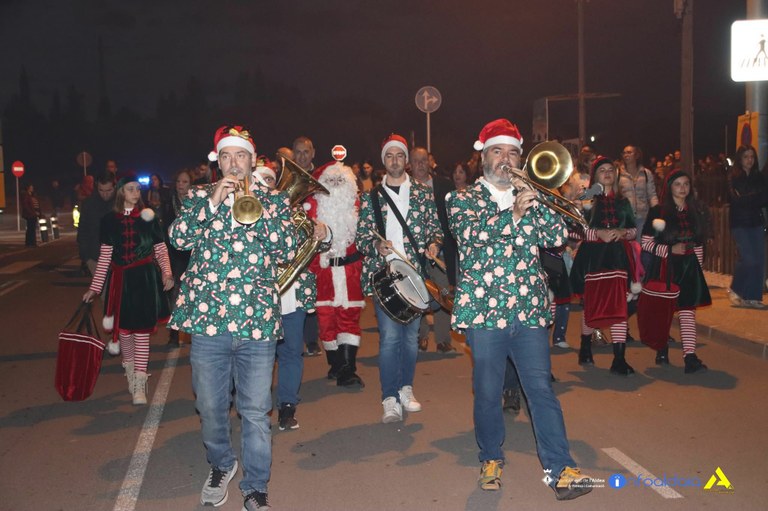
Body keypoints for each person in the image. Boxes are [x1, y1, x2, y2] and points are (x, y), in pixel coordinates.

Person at [446, 119, 593, 499]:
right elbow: (470, 237)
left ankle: (560, 467)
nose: (505, 159)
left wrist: (534, 197)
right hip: (484, 312)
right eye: (498, 151)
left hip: (528, 310)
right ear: (484, 157)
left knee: (540, 389)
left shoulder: (531, 195)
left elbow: (558, 237)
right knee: (488, 390)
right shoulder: (461, 199)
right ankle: (491, 456)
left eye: (513, 152)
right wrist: (512, 213)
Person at [168, 126, 295, 510]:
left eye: (241, 156)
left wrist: (259, 206)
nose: (234, 163)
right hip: (209, 324)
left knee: (256, 410)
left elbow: (287, 247)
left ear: (252, 161)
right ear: (217, 162)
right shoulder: (197, 197)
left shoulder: (273, 201)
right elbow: (177, 239)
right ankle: (221, 464)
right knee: (209, 405)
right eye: (226, 157)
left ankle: (256, 486)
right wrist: (210, 206)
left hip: (256, 323)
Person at [356, 134, 442, 423]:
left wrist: (434, 245)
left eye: (399, 155)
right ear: (384, 161)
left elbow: (435, 229)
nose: (395, 160)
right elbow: (362, 237)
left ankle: (406, 389)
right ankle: (389, 398)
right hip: (386, 276)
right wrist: (376, 246)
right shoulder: (370, 196)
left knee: (410, 339)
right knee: (390, 339)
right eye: (389, 156)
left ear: (407, 160)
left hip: (415, 274)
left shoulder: (421, 192)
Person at [82, 173, 173, 405]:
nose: (136, 193)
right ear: (121, 192)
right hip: (120, 282)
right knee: (124, 333)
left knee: (142, 332)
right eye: (130, 189)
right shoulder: (109, 221)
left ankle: (140, 383)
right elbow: (104, 257)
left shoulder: (149, 217)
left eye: (137, 189)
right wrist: (94, 288)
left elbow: (161, 248)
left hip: (144, 280)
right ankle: (131, 373)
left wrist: (166, 272)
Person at [254, 163, 331, 431]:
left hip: (292, 295)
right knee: (262, 354)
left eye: (270, 180)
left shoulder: (296, 213)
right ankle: (257, 407)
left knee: (290, 352)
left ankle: (288, 406)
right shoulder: (247, 209)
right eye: (260, 179)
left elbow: (324, 240)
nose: (265, 183)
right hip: (260, 295)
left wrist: (324, 232)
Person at [570, 156, 640, 375]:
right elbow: (572, 230)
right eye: (602, 170)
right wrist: (597, 233)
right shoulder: (586, 199)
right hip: (594, 259)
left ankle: (619, 358)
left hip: (619, 259)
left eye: (611, 169)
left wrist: (623, 232)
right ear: (594, 176)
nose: (608, 173)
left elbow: (633, 230)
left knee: (619, 305)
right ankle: (585, 345)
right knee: (593, 304)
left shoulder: (623, 202)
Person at [641, 170, 711, 372]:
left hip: (689, 268)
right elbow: (645, 242)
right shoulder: (658, 212)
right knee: (665, 311)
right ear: (669, 187)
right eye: (678, 184)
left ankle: (690, 356)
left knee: (688, 311)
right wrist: (669, 250)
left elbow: (698, 243)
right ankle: (661, 348)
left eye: (686, 184)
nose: (682, 188)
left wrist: (699, 269)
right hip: (666, 266)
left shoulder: (694, 211)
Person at [306, 161, 366, 387]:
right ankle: (336, 364)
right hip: (323, 272)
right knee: (326, 321)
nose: (336, 186)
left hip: (350, 271)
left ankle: (348, 369)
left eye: (340, 181)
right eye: (330, 181)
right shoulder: (312, 205)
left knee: (349, 317)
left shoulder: (358, 205)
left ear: (350, 183)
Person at [410, 146, 457, 353]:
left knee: (443, 292)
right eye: (416, 161)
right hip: (413, 252)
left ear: (430, 162)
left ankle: (443, 339)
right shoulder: (404, 187)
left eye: (424, 160)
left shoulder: (444, 186)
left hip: (441, 250)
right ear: (409, 165)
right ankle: (420, 337)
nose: (421, 165)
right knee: (417, 294)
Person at [727, 145, 768, 308]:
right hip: (739, 222)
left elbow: (764, 198)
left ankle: (753, 297)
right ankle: (736, 288)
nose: (749, 160)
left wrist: (748, 199)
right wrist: (755, 198)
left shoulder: (759, 177)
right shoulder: (733, 176)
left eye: (752, 156)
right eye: (746, 156)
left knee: (759, 260)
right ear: (740, 158)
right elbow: (735, 199)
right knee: (748, 258)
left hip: (756, 222)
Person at [161, 168, 193, 347]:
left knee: (189, 294)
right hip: (174, 254)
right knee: (174, 294)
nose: (181, 185)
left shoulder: (196, 203)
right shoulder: (168, 203)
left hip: (191, 255)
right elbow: (164, 229)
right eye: (179, 182)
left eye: (185, 182)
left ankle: (188, 331)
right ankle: (174, 334)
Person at [77, 172, 116, 275]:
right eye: (101, 190)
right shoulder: (89, 204)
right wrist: (86, 258)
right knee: (103, 289)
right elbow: (82, 231)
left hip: (119, 258)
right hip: (95, 257)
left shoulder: (121, 203)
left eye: (109, 190)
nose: (105, 194)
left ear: (114, 186)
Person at [21, 183, 41, 247]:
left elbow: (36, 204)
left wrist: (39, 212)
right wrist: (32, 212)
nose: (32, 188)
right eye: (31, 187)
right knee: (30, 229)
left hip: (34, 214)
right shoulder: (26, 195)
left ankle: (31, 242)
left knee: (32, 229)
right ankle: (30, 243)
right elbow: (26, 205)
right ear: (28, 188)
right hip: (30, 215)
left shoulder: (32, 195)